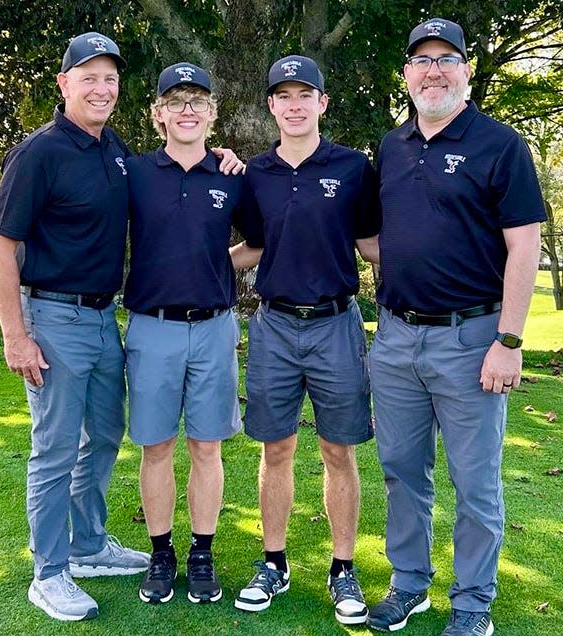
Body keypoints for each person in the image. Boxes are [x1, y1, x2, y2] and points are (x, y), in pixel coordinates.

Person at [0, 33, 241, 622]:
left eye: (110, 80)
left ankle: (90, 543)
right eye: (88, 77)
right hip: (52, 318)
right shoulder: (39, 153)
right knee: (53, 451)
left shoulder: (115, 151)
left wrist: (224, 160)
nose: (101, 89)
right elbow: (1, 249)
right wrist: (15, 335)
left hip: (105, 318)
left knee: (101, 438)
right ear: (64, 84)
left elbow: (185, 192)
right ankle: (49, 571)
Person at [366, 18, 546, 636]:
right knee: (401, 473)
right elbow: (380, 237)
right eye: (422, 61)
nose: (433, 70)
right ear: (408, 75)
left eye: (446, 59)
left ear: (466, 70)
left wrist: (509, 340)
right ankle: (409, 585)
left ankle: (472, 606)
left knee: (474, 485)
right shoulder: (391, 146)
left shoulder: (501, 146)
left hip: (471, 341)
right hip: (393, 339)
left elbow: (524, 247)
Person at [231, 55, 380, 625]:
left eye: (305, 95)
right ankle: (274, 562)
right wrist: (201, 270)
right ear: (271, 106)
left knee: (338, 450)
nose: (294, 105)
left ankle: (343, 568)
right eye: (283, 96)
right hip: (273, 326)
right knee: (277, 448)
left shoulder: (353, 168)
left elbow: (372, 245)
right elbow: (256, 246)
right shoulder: (255, 174)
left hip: (337, 325)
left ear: (322, 103)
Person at [122, 62, 244, 607]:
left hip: (215, 328)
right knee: (156, 446)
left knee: (206, 445)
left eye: (197, 100)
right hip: (152, 328)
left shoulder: (232, 176)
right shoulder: (135, 173)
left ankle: (201, 552)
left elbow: (261, 242)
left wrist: (215, 265)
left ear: (212, 113)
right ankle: (160, 553)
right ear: (159, 114)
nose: (187, 109)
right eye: (176, 101)